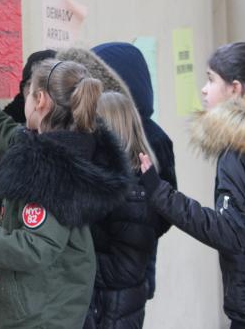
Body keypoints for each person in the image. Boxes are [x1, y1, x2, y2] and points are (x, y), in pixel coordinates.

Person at [0, 58, 132, 329]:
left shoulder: (53, 173)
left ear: (40, 100)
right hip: (39, 310)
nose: (24, 99)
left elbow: (33, 249)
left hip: (42, 320)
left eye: (28, 92)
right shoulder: (43, 148)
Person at [139, 42, 245, 329]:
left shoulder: (242, 147)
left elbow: (231, 233)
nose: (204, 89)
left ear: (235, 89)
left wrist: (159, 192)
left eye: (211, 79)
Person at [83, 91, 170, 329]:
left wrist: (77, 263)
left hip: (112, 313)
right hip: (107, 308)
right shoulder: (112, 183)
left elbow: (127, 269)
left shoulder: (133, 194)